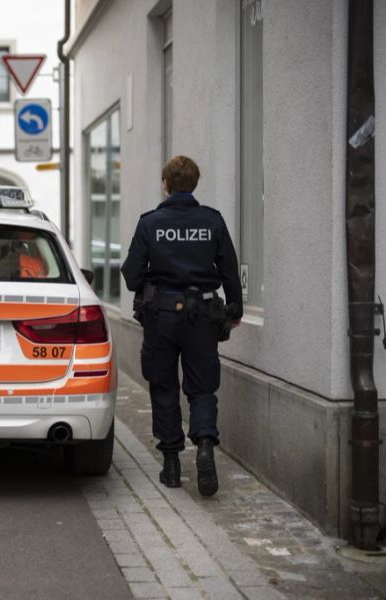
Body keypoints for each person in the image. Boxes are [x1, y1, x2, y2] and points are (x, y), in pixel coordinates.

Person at [121, 155, 242, 497]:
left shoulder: (150, 223)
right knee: (202, 386)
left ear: (166, 185)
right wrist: (235, 310)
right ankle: (204, 443)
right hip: (202, 314)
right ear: (194, 184)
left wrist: (151, 284)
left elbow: (131, 275)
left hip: (160, 313)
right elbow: (230, 271)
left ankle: (172, 465)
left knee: (163, 385)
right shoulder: (212, 221)